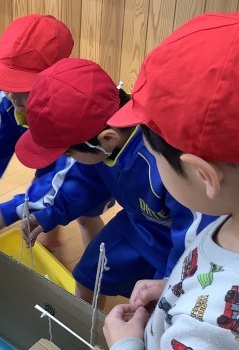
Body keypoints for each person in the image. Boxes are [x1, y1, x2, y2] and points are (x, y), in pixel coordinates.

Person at [103, 13, 239, 350]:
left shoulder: (209, 331)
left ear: (203, 175)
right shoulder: (230, 214)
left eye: (154, 154)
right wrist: (175, 290)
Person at [16, 58, 210, 307]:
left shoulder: (163, 162)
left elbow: (195, 229)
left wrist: (172, 279)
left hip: (180, 245)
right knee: (87, 276)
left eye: (69, 153)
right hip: (135, 227)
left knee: (155, 306)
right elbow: (84, 182)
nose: (69, 158)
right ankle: (83, 325)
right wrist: (49, 214)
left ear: (107, 138)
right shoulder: (100, 145)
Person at [0, 14, 104, 248]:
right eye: (7, 82)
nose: (11, 94)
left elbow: (70, 176)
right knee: (44, 186)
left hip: (88, 171)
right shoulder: (9, 103)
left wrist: (12, 210)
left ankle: (96, 266)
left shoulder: (75, 114)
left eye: (22, 86)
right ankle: (50, 240)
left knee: (85, 215)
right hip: (50, 160)